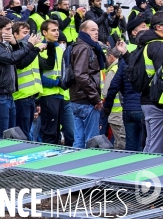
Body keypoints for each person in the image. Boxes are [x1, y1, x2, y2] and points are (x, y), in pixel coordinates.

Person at [0, 16, 42, 138]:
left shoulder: (4, 45)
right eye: (7, 29)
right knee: (1, 135)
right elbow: (11, 58)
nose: (10, 32)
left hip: (8, 95)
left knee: (12, 134)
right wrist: (29, 45)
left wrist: (15, 44)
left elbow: (19, 61)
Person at [69, 20, 107, 148]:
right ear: (84, 31)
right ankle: (89, 166)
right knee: (91, 141)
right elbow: (81, 75)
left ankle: (76, 166)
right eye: (92, 30)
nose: (96, 33)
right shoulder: (85, 48)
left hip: (77, 99)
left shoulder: (78, 46)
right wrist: (96, 98)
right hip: (86, 100)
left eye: (97, 30)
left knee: (79, 140)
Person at [105, 31, 145, 151]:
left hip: (128, 109)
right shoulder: (148, 58)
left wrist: (107, 107)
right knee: (145, 146)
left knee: (130, 146)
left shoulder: (123, 62)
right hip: (143, 108)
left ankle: (130, 169)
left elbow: (114, 85)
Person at [37, 20, 72, 146]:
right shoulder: (40, 48)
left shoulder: (61, 49)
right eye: (53, 30)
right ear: (44, 32)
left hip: (61, 95)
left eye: (57, 30)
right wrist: (57, 83)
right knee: (50, 133)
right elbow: (39, 77)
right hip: (47, 95)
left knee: (58, 133)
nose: (57, 32)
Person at [12, 22, 45, 140]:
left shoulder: (30, 49)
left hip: (31, 95)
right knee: (24, 133)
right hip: (21, 96)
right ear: (15, 34)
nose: (28, 36)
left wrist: (37, 102)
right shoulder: (17, 48)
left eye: (29, 32)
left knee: (28, 130)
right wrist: (35, 49)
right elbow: (22, 64)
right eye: (24, 33)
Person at [139, 11, 163, 153]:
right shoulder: (158, 46)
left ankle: (142, 172)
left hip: (148, 99)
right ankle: (150, 174)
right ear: (159, 27)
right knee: (156, 145)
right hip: (157, 100)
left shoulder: (147, 44)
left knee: (150, 142)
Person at [101, 47, 125, 149]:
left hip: (115, 112)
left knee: (120, 142)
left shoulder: (113, 70)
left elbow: (106, 92)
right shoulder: (123, 66)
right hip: (124, 109)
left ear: (111, 57)